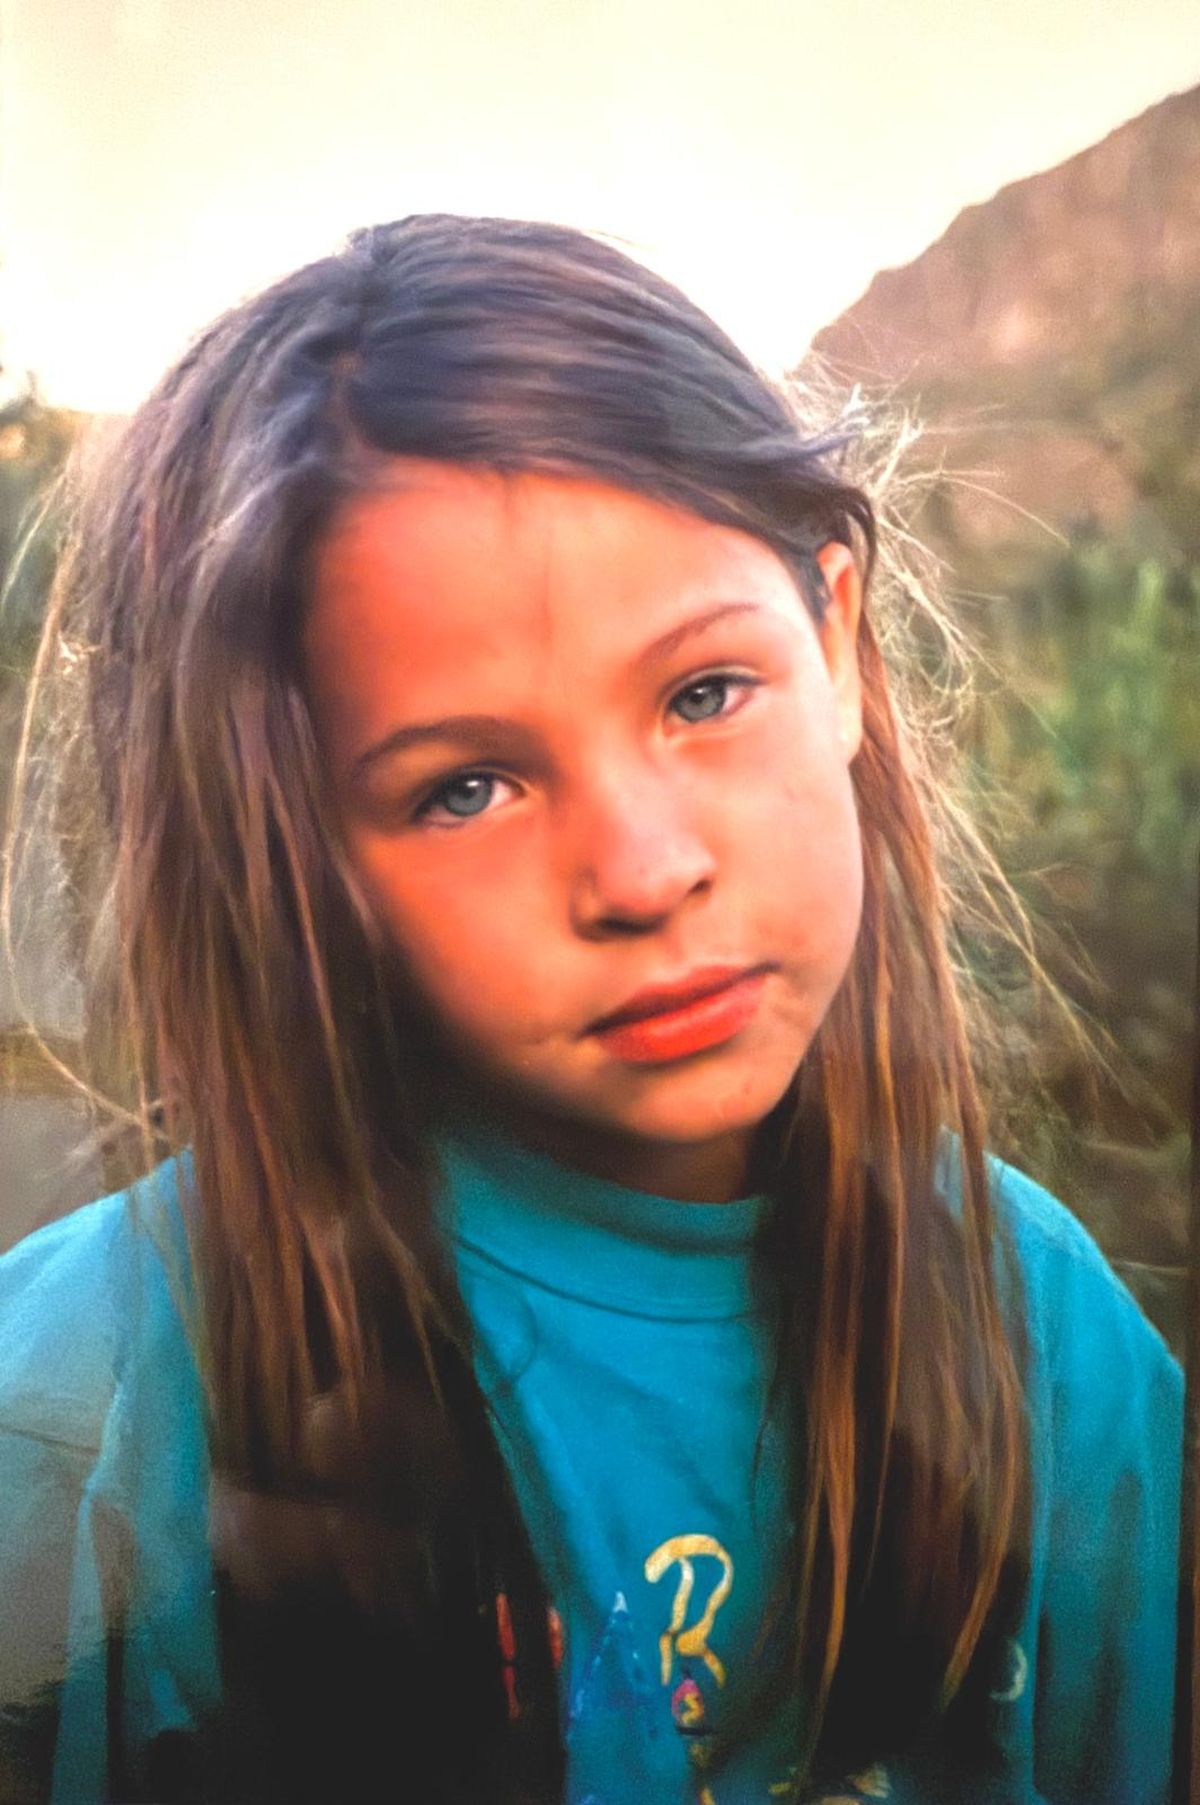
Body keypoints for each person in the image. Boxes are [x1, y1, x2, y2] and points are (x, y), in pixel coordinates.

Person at [0, 215, 1181, 1805]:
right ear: (288, 855)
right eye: (465, 786)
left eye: (703, 693)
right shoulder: (76, 1415)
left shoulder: (1044, 1333)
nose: (641, 868)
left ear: (838, 645)